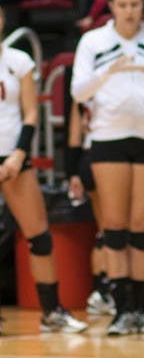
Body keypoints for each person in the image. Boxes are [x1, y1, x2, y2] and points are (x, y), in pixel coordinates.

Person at [0, 0, 88, 337]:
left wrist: (17, 156)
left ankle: (52, 310)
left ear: (2, 21)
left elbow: (29, 113)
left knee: (39, 236)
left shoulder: (19, 61)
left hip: (14, 155)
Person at [71, 0, 144, 336]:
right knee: (114, 224)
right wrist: (110, 69)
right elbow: (78, 91)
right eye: (123, 4)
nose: (130, 11)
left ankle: (140, 308)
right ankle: (122, 306)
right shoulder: (94, 42)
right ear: (111, 7)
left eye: (135, 4)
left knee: (140, 224)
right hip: (108, 137)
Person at [65, 97, 114, 317]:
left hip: (89, 157)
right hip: (111, 155)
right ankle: (111, 291)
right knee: (118, 229)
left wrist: (73, 172)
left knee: (105, 229)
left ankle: (103, 291)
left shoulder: (83, 89)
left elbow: (74, 137)